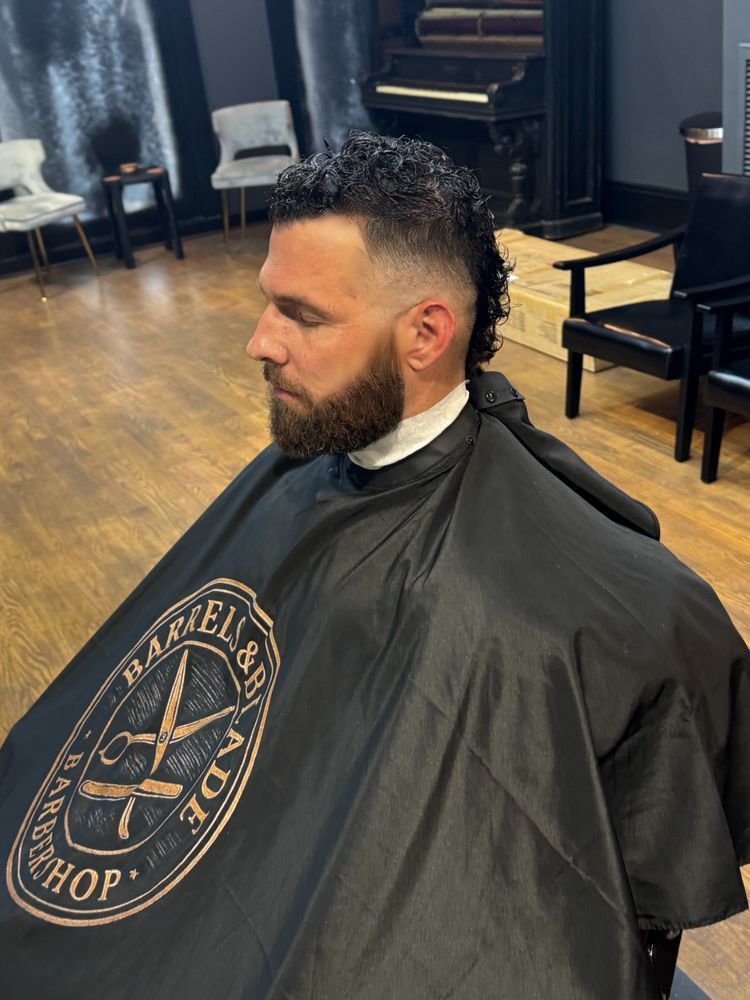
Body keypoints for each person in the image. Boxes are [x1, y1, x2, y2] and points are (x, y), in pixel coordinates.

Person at [0, 132, 748, 1000]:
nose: (258, 342)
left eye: (302, 315)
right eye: (268, 303)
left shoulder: (585, 602)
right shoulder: (298, 470)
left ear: (426, 333)